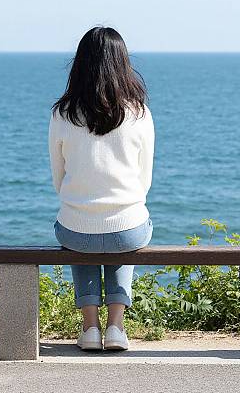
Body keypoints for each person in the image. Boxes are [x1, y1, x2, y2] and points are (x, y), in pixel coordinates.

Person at [48, 25, 155, 351]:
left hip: (75, 228)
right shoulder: (139, 114)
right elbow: (144, 180)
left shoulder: (62, 115)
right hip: (129, 228)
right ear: (123, 64)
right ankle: (116, 328)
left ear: (80, 64)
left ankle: (90, 328)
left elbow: (59, 178)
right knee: (124, 231)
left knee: (81, 235)